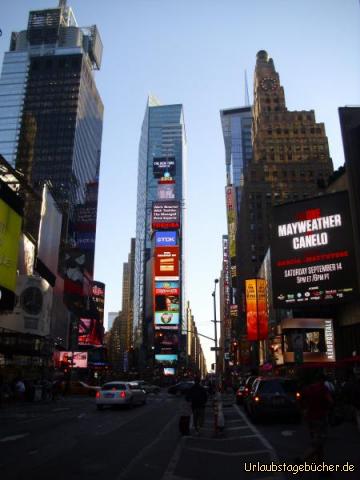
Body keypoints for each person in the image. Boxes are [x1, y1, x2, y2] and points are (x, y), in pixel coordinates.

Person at [299, 372, 334, 473]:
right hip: (320, 418)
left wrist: (304, 410)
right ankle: (302, 460)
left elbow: (300, 399)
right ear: (322, 380)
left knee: (318, 443)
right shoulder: (323, 388)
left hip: (310, 418)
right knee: (319, 442)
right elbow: (330, 401)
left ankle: (322, 468)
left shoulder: (309, 388)